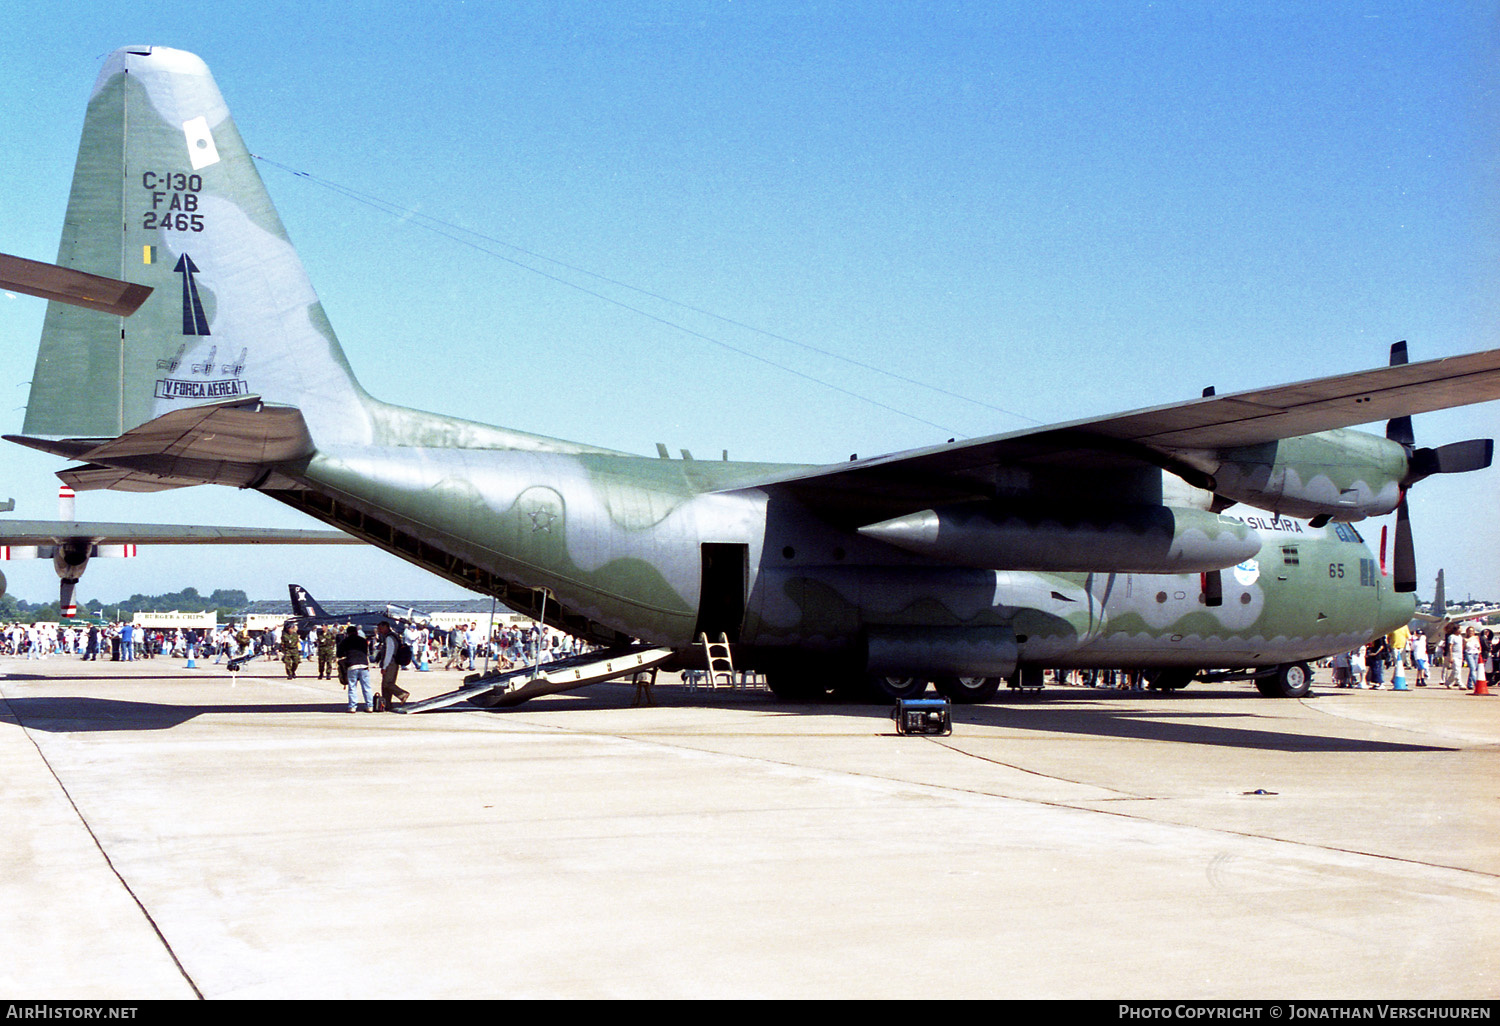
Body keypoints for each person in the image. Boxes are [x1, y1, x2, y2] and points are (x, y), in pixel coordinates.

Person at [376, 620, 409, 711]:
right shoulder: (394, 636)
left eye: (380, 628)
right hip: (393, 663)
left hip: (390, 663)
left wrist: (384, 666)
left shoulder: (389, 638)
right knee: (385, 685)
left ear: (386, 627)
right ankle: (387, 705)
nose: (379, 631)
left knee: (387, 684)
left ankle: (402, 694)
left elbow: (389, 653)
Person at [338, 625, 372, 712]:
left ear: (348, 633)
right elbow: (366, 652)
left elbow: (339, 653)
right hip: (364, 664)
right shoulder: (363, 640)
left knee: (352, 686)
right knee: (366, 687)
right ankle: (369, 705)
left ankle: (352, 706)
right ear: (357, 632)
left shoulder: (346, 641)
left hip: (352, 665)